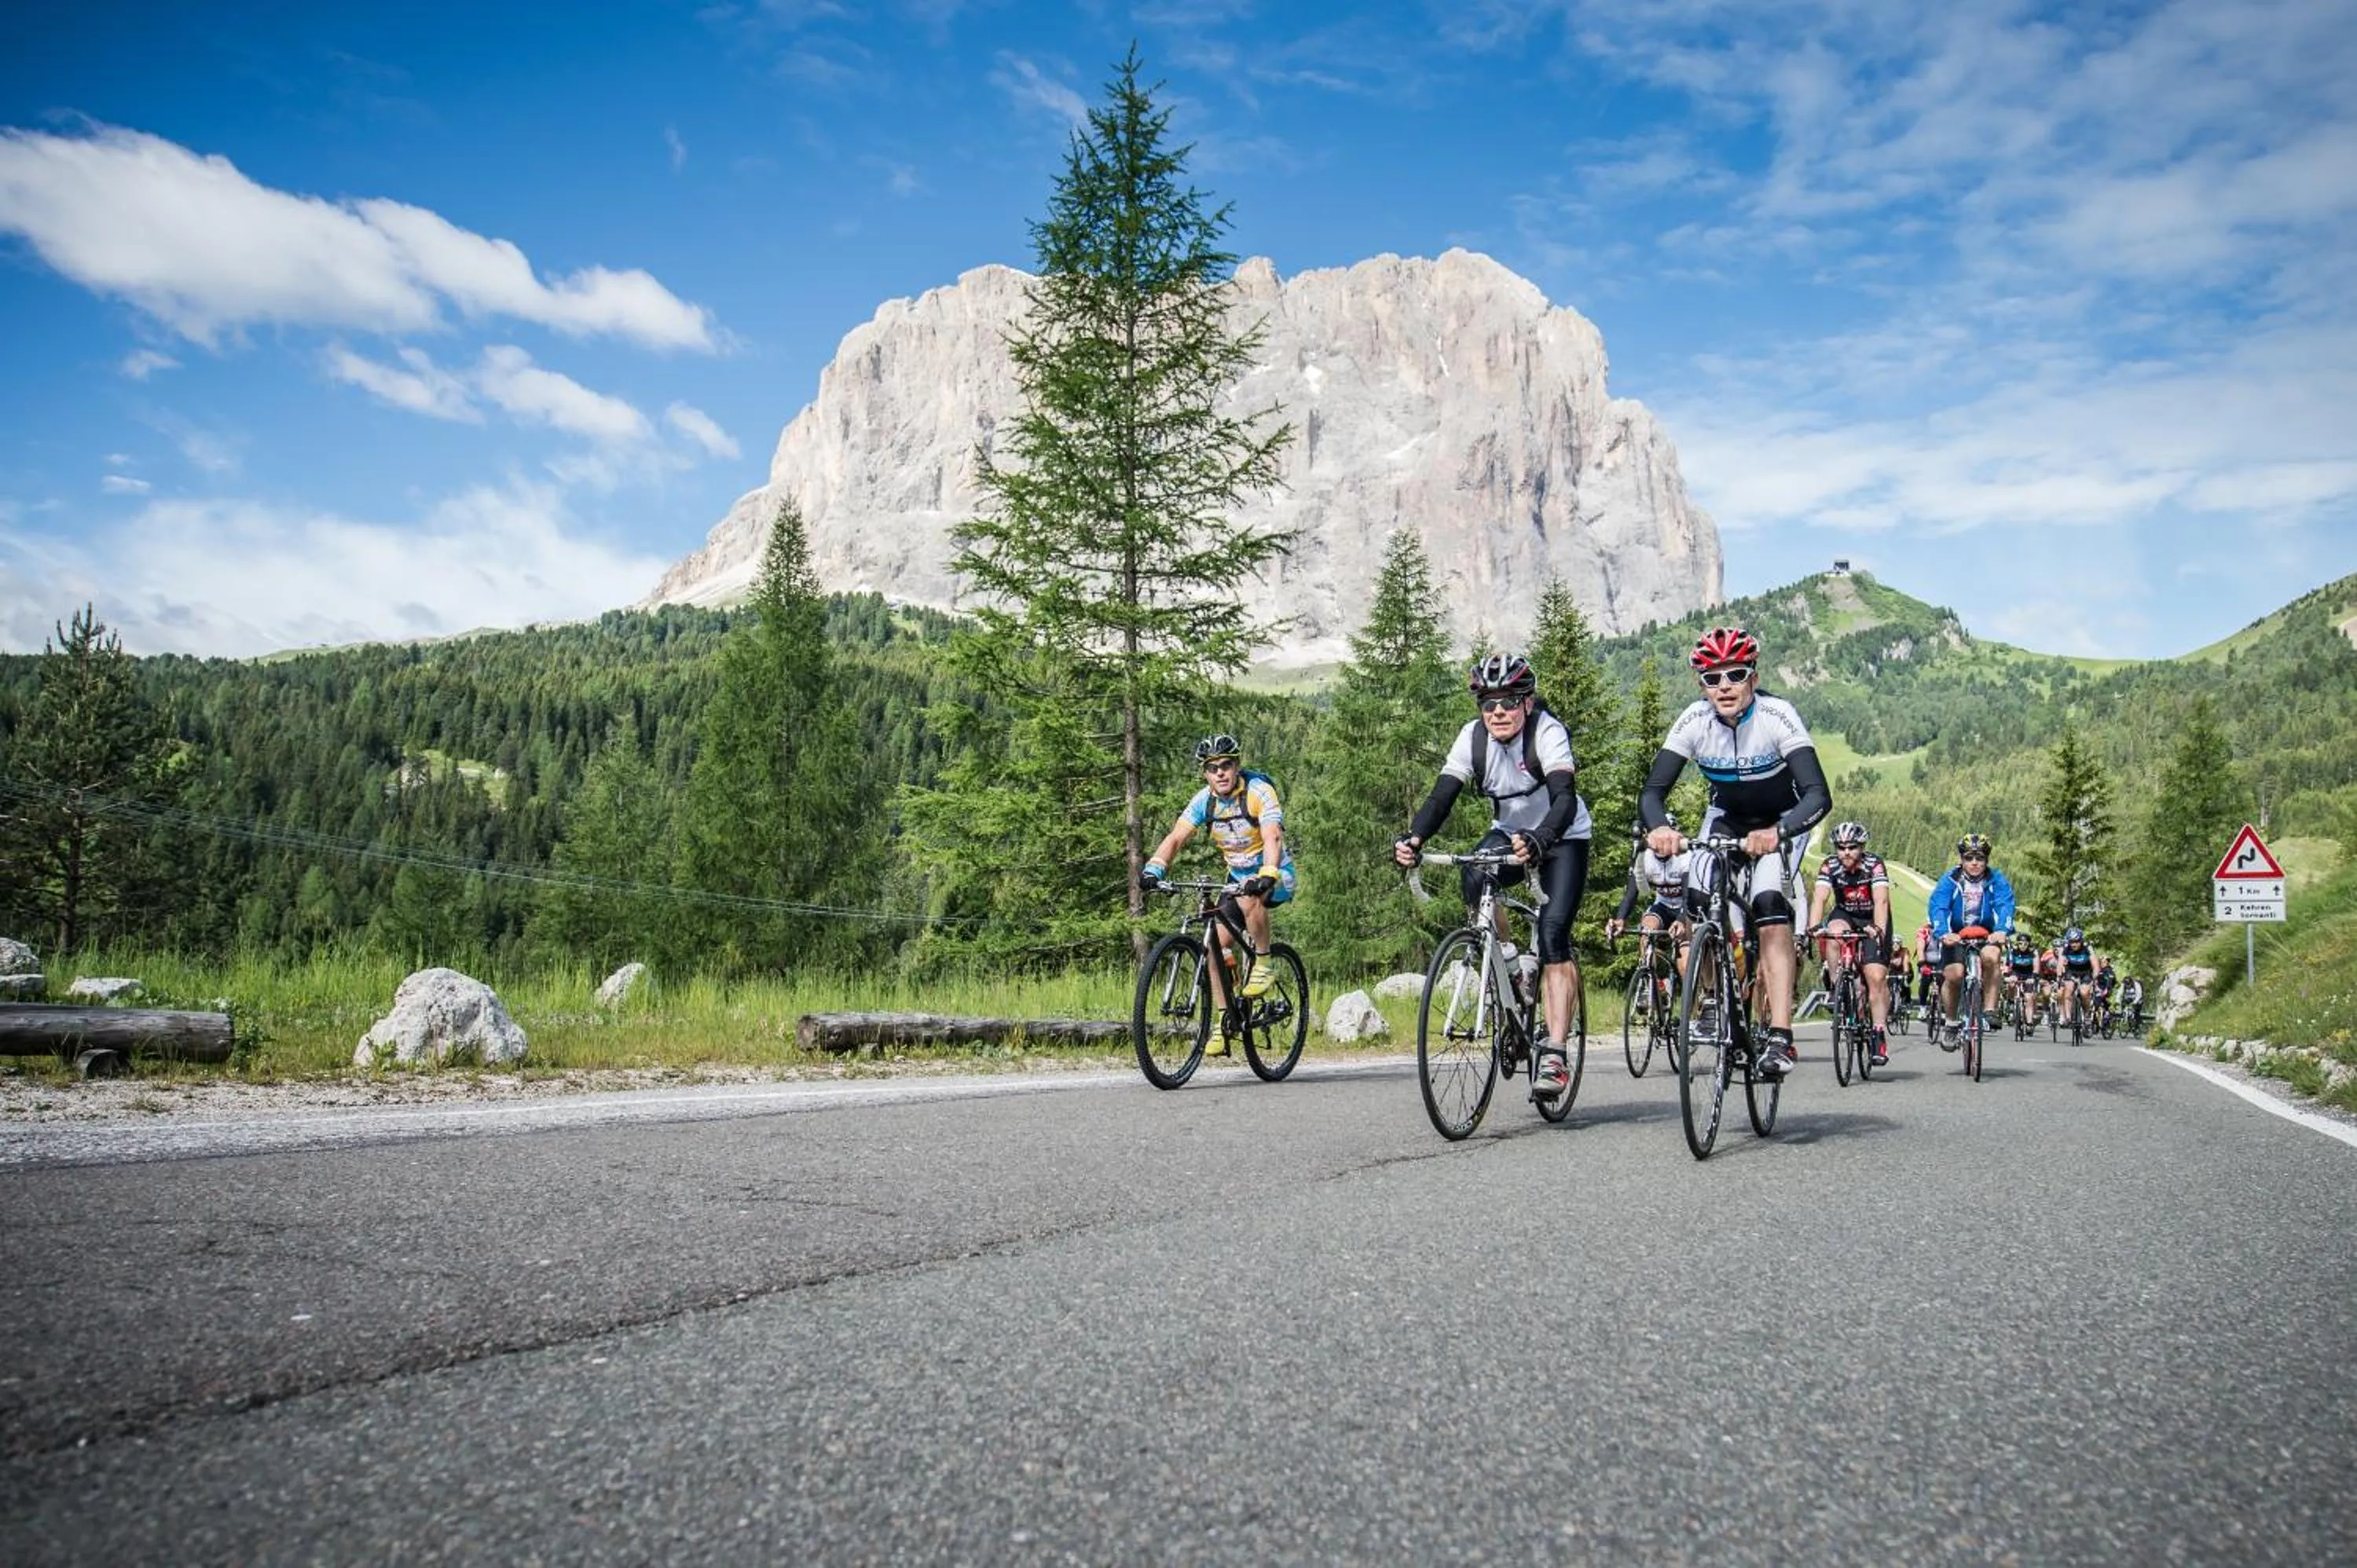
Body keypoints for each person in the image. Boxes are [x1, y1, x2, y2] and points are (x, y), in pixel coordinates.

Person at [1395, 654, 1594, 1101]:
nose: (1498, 712)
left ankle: (1556, 1055)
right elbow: (1441, 796)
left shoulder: (1547, 731)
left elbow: (1564, 799)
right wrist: (1414, 838)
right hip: (1508, 832)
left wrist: (1542, 840)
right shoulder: (1473, 738)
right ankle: (1509, 963)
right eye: (1488, 704)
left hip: (1563, 836)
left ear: (1526, 703)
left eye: (1508, 701)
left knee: (1554, 933)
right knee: (1475, 876)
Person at [1636, 626, 1831, 1079]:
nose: (1723, 686)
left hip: (1780, 821)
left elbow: (1818, 796)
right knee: (1700, 900)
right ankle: (1713, 997)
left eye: (1735, 674)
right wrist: (1660, 828)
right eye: (1711, 678)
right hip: (1724, 817)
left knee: (1768, 905)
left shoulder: (1777, 716)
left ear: (1753, 677)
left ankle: (1781, 1035)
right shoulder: (1693, 721)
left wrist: (1779, 832)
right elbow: (1653, 793)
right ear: (1699, 684)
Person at [1142, 735, 1295, 1052]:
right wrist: (1154, 868)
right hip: (1236, 878)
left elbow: (1273, 836)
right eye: (1213, 768)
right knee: (1212, 945)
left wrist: (1267, 873)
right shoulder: (1204, 801)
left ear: (1237, 766)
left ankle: (1264, 963)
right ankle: (1225, 1020)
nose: (1220, 773)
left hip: (1276, 873)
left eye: (1226, 765)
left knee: (1250, 895)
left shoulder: (1258, 792)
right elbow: (1175, 838)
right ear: (1205, 773)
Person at [1807, 820, 1893, 1065]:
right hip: (1845, 914)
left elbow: (1882, 902)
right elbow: (1820, 898)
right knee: (1833, 932)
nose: (1846, 852)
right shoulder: (1830, 865)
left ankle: (1878, 1033)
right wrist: (1814, 926)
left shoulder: (1874, 865)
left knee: (1876, 978)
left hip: (1872, 917)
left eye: (1852, 847)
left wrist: (1877, 928)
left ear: (1862, 847)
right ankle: (1837, 986)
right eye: (1841, 847)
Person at [1926, 833, 2017, 1047]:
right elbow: (1938, 906)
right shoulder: (1950, 880)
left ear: (1987, 860)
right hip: (1956, 934)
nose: (1974, 863)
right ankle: (1951, 1022)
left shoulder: (1996, 879)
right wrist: (1944, 932)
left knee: (1992, 956)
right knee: (1955, 975)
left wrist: (2003, 929)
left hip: (1986, 933)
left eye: (1980, 859)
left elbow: (2005, 905)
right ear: (1961, 859)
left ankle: (1990, 1009)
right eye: (1969, 858)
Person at [1606, 812, 1696, 1015]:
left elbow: (1689, 896)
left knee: (1685, 962)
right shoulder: (1643, 857)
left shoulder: (1684, 855)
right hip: (1663, 905)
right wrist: (1620, 919)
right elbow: (1632, 893)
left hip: (1685, 907)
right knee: (1646, 928)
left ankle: (1691, 1014)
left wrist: (1682, 920)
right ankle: (1652, 986)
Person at [2056, 926, 2099, 1031]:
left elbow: (2095, 965)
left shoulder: (2087, 947)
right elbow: (2060, 964)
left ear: (2081, 940)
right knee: (2068, 990)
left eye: (2076, 942)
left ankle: (2087, 1015)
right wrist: (2059, 977)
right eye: (2071, 942)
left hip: (2086, 972)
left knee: (2084, 993)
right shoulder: (2065, 947)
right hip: (2071, 971)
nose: (2074, 944)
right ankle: (2068, 1018)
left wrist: (2094, 977)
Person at [2005, 932, 2041, 1030]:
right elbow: (2007, 966)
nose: (2023, 946)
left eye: (2025, 944)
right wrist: (2006, 976)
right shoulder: (2013, 952)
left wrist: (2033, 977)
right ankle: (2011, 1002)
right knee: (2012, 984)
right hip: (2016, 972)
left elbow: (2036, 968)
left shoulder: (2033, 952)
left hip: (2029, 974)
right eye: (2020, 943)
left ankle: (2029, 1023)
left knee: (2029, 998)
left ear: (2029, 944)